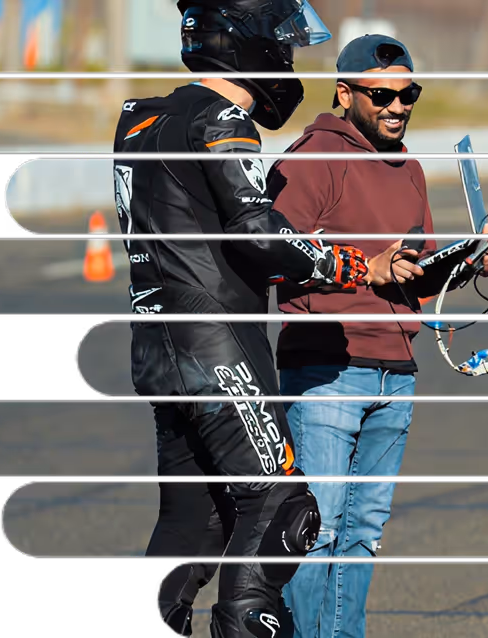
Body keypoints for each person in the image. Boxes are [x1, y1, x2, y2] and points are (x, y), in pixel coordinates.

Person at [112, 2, 370, 637]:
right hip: (217, 343)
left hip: (156, 343)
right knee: (282, 506)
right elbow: (258, 233)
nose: (287, 59)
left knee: (192, 523)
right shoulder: (222, 120)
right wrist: (331, 260)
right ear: (247, 42)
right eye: (282, 43)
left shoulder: (139, 117)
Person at [267, 35, 488, 638]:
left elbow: (414, 272)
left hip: (396, 369)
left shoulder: (410, 168)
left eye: (408, 94)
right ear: (345, 93)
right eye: (382, 95)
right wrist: (361, 264)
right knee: (315, 532)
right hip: (327, 370)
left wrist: (468, 263)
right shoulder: (315, 156)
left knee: (362, 536)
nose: (398, 106)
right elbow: (272, 249)